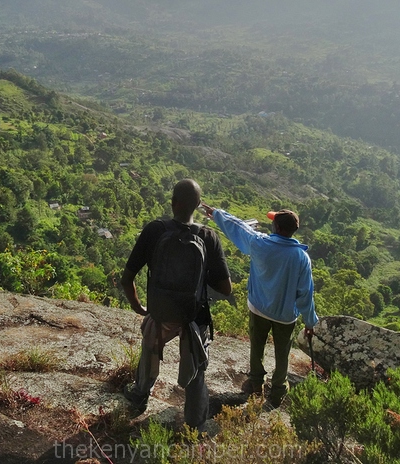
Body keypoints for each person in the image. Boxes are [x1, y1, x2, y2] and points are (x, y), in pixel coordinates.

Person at [121, 179, 232, 431]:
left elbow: (127, 279)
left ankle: (140, 395)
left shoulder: (154, 230)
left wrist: (140, 308)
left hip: (161, 313)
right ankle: (195, 421)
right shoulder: (208, 237)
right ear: (197, 206)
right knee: (197, 365)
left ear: (173, 203)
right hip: (194, 317)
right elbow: (226, 289)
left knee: (149, 345)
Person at [199, 204, 318, 408]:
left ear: (278, 227)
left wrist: (216, 213)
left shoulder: (260, 244)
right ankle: (279, 390)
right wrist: (309, 321)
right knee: (282, 353)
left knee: (257, 346)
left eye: (273, 221)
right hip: (285, 315)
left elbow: (238, 228)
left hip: (259, 308)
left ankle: (256, 383)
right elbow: (305, 293)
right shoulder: (301, 258)